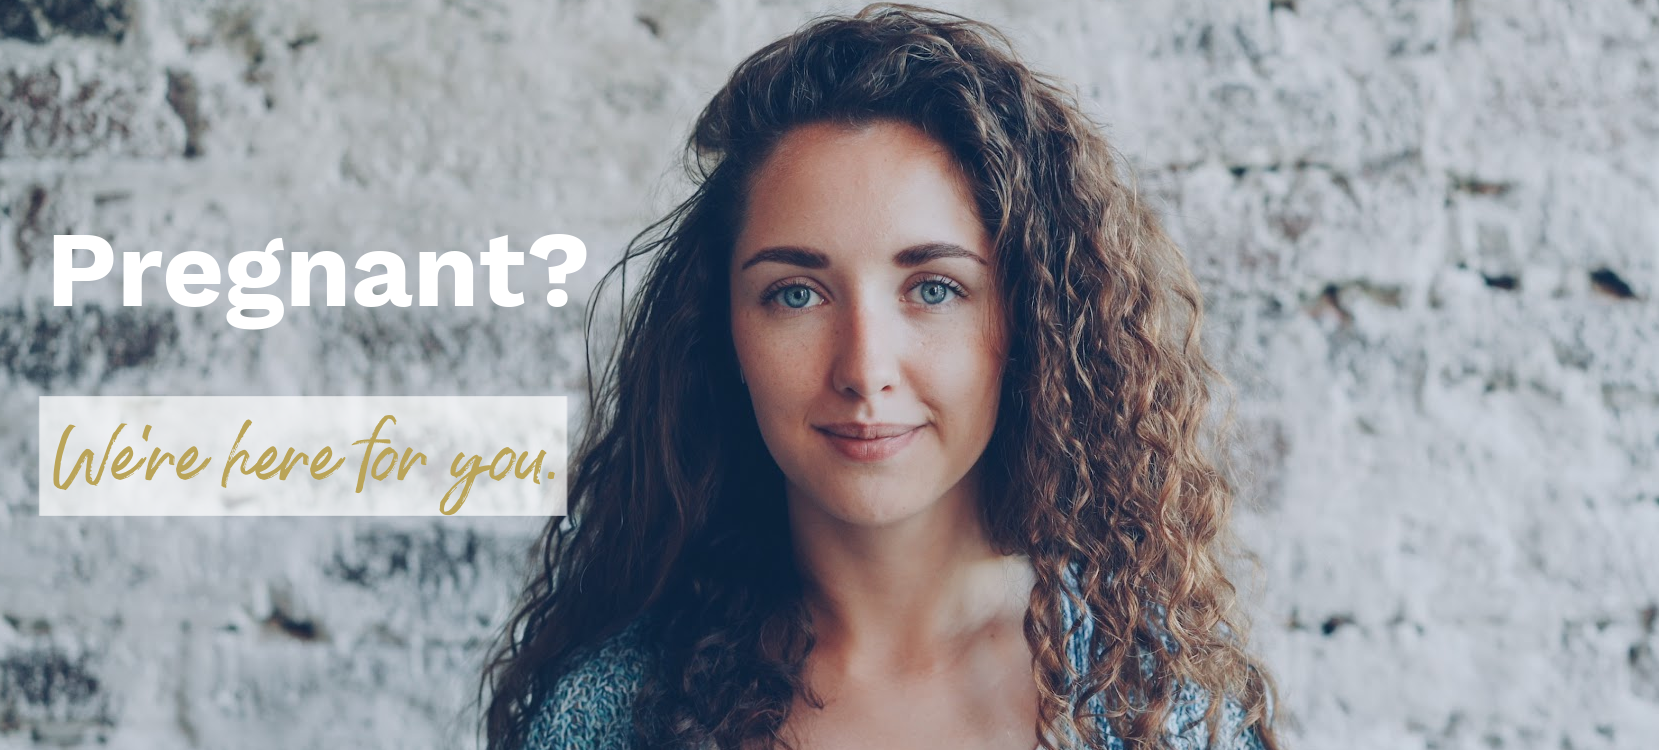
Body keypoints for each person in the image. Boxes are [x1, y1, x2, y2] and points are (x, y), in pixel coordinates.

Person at [479, 4, 1283, 749]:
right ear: (722, 334)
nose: (864, 370)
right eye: (796, 294)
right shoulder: (609, 717)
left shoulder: (1157, 710)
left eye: (933, 289)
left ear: (1027, 321)